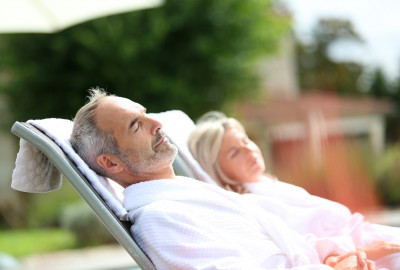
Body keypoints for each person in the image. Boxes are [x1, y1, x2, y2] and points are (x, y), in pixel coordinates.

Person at [70, 88, 389, 270]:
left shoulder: (190, 195)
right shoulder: (160, 219)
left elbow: (284, 245)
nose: (156, 122)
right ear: (110, 162)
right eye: (135, 125)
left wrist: (333, 254)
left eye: (145, 112)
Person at [188, 111, 400, 269]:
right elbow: (300, 249)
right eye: (234, 152)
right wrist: (362, 250)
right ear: (216, 168)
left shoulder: (270, 185)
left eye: (246, 140)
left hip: (370, 238)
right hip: (358, 255)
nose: (249, 149)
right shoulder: (252, 204)